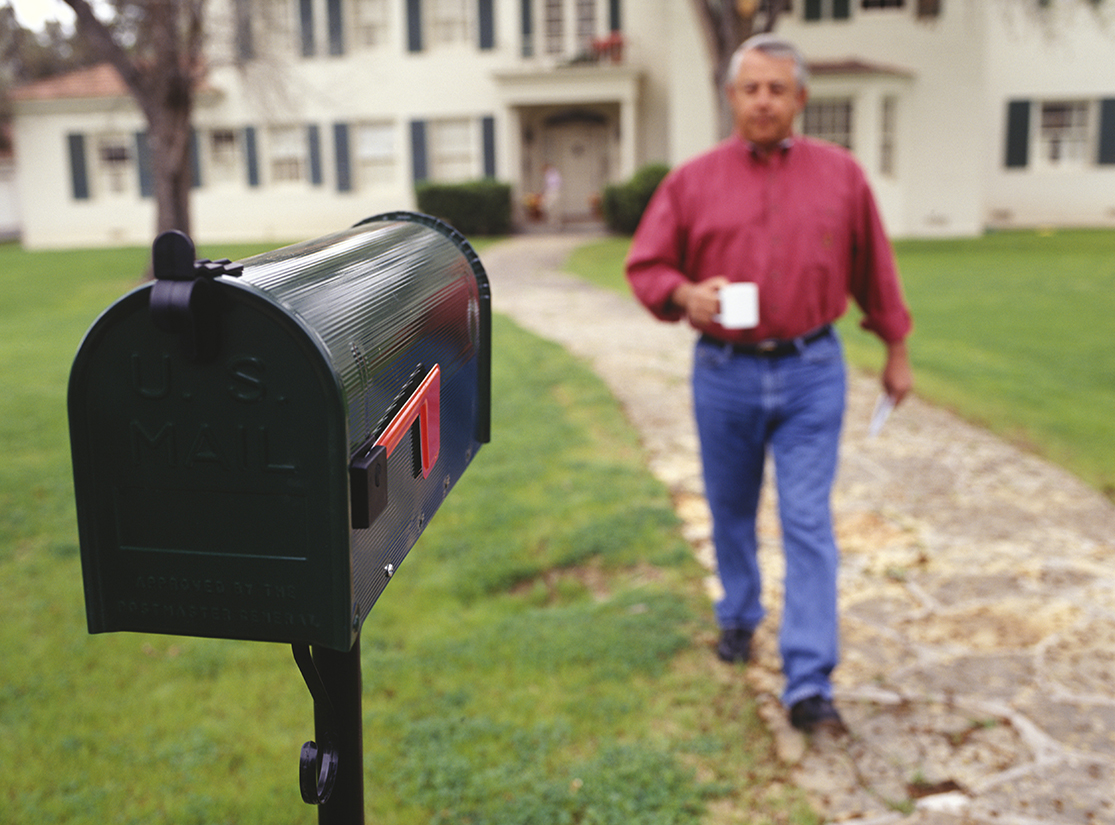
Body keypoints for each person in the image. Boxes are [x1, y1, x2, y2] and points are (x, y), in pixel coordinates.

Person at [625, 34, 913, 735]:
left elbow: (873, 269)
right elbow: (646, 266)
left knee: (807, 520)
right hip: (723, 372)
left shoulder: (841, 176)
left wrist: (895, 347)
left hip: (812, 368)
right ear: (730, 97)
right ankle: (738, 614)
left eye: (776, 88)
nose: (762, 99)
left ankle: (808, 680)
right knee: (728, 509)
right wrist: (683, 294)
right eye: (750, 87)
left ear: (800, 99)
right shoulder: (691, 182)